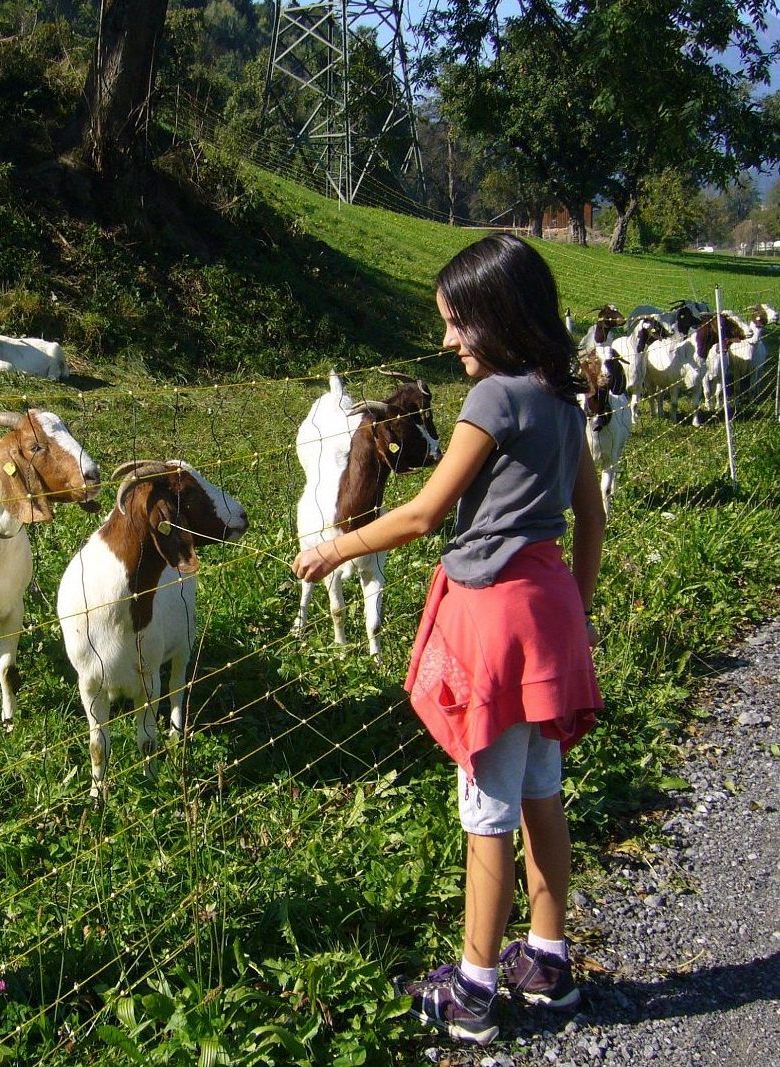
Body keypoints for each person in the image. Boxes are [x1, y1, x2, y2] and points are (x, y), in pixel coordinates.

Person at [292, 233, 606, 1047]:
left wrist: (334, 546)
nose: (444, 340)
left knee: (486, 807)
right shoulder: (562, 399)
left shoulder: (495, 400)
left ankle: (472, 991)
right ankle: (547, 959)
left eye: (454, 322)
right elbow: (591, 518)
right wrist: (575, 610)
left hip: (495, 621)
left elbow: (425, 512)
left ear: (494, 317)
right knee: (539, 792)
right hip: (548, 613)